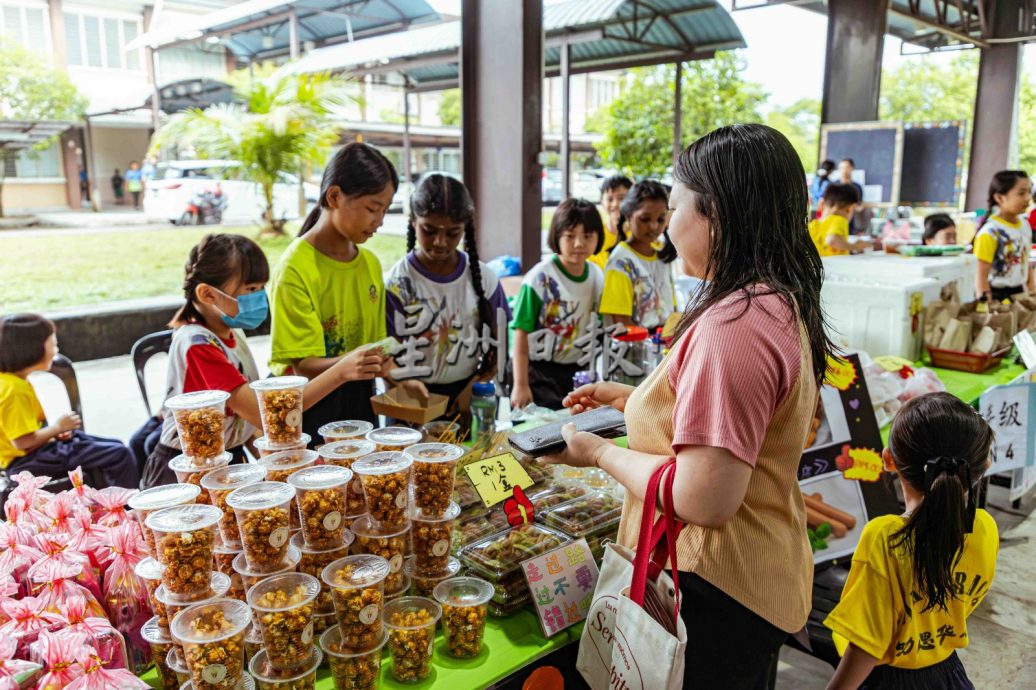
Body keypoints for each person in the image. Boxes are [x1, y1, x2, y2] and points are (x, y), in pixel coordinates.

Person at [543, 124, 835, 688]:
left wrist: (598, 452)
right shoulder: (771, 298)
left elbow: (703, 497)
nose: (668, 226)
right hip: (756, 574)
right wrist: (638, 402)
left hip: (717, 587)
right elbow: (741, 424)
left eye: (675, 208)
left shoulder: (734, 326)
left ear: (715, 215)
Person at [142, 233, 378, 488]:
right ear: (207, 294)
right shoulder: (198, 345)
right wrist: (340, 372)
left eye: (261, 287)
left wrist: (275, 466)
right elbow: (262, 413)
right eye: (251, 289)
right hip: (187, 471)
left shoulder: (232, 335)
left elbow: (244, 420)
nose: (259, 297)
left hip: (226, 461)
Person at [824, 393, 997, 690]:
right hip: (947, 674)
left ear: (888, 460)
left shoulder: (885, 537)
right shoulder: (984, 528)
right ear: (985, 465)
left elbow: (867, 645)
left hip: (886, 680)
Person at [269, 142, 409, 438]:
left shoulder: (369, 263)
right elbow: (303, 365)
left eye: (385, 210)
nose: (380, 221)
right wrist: (349, 364)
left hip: (359, 403)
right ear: (334, 196)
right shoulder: (295, 268)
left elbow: (375, 350)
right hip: (311, 406)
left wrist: (402, 380)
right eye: (372, 208)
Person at [384, 174, 510, 417]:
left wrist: (476, 385)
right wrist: (403, 386)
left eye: (452, 233)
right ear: (413, 221)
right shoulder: (397, 284)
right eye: (429, 230)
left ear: (465, 228)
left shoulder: (484, 278)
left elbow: (501, 344)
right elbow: (385, 356)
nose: (440, 242)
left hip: (467, 393)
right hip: (411, 396)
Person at [0, 314, 138, 489]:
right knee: (119, 454)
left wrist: (54, 433)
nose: (55, 351)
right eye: (53, 345)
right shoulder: (13, 391)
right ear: (31, 350)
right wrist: (57, 428)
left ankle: (109, 497)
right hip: (28, 462)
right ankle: (125, 504)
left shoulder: (12, 381)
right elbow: (22, 442)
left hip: (39, 452)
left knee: (114, 445)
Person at [510, 198, 604, 410]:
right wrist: (520, 385)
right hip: (537, 372)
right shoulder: (539, 279)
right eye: (570, 236)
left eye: (587, 236)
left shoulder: (597, 276)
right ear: (556, 236)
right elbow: (521, 333)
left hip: (575, 371)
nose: (579, 244)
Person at [599, 179, 677, 331]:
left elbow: (671, 311)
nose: (653, 226)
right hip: (635, 345)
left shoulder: (662, 256)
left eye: (660, 219)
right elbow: (621, 325)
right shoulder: (620, 263)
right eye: (645, 219)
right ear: (628, 216)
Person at [973, 170, 1033, 302]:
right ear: (1000, 198)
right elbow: (981, 277)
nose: (1028, 198)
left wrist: (1032, 293)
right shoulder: (990, 232)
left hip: (1019, 293)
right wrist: (986, 306)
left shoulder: (1025, 225)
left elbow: (1025, 261)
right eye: (1021, 193)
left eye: (1029, 192)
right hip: (995, 296)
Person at [810, 183, 872, 256]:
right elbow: (832, 240)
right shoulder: (840, 220)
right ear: (850, 208)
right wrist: (855, 246)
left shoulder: (813, 225)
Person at [589, 174, 632, 269]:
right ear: (602, 202)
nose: (615, 204)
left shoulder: (639, 234)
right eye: (610, 199)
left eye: (621, 198)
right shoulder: (595, 235)